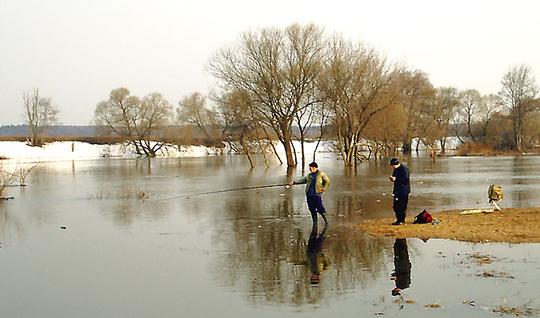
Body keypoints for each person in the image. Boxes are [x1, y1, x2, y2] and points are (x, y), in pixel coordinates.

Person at [289, 162, 330, 227]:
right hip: (309, 194)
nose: (309, 169)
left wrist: (324, 189)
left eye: (310, 167)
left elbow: (327, 181)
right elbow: (303, 180)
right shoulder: (309, 175)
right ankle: (315, 223)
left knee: (320, 208)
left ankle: (326, 221)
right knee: (311, 209)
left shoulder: (321, 174)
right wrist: (294, 182)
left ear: (314, 167)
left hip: (317, 194)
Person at [389, 158, 410, 225]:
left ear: (395, 164)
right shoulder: (396, 170)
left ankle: (401, 220)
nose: (392, 167)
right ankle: (398, 219)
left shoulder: (404, 169)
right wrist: (392, 179)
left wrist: (396, 179)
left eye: (392, 166)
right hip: (397, 190)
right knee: (395, 206)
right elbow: (395, 179)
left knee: (402, 206)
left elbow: (405, 179)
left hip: (404, 191)